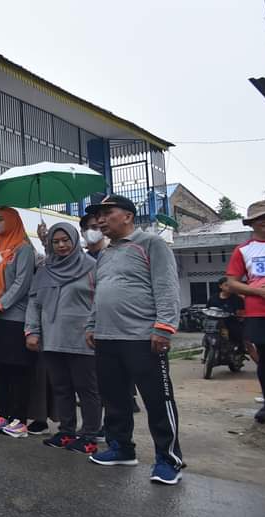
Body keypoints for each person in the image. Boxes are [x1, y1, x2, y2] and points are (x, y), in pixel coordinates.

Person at [85, 194, 183, 485]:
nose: (100, 220)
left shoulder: (152, 244)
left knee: (157, 400)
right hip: (106, 337)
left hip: (142, 337)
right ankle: (121, 448)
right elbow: (99, 293)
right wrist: (91, 325)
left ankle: (168, 459)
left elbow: (166, 286)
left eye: (107, 213)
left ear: (127, 216)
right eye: (98, 215)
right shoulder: (105, 254)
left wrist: (164, 327)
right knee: (115, 398)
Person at [25, 223, 101, 454]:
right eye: (56, 241)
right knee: (61, 388)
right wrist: (32, 331)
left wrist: (96, 328)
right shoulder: (45, 269)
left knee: (87, 390)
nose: (61, 245)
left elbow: (101, 300)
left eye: (65, 240)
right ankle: (67, 431)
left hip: (82, 339)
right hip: (52, 338)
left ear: (75, 241)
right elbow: (34, 302)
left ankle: (90, 435)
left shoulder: (92, 266)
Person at [0, 207, 38, 438]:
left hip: (14, 319)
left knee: (17, 370)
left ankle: (19, 419)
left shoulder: (23, 249)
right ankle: (2, 414)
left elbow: (22, 284)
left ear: (13, 221)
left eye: (1, 219)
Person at [225, 200, 265, 424]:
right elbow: (232, 283)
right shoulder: (243, 250)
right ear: (251, 223)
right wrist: (259, 291)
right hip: (260, 312)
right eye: (261, 218)